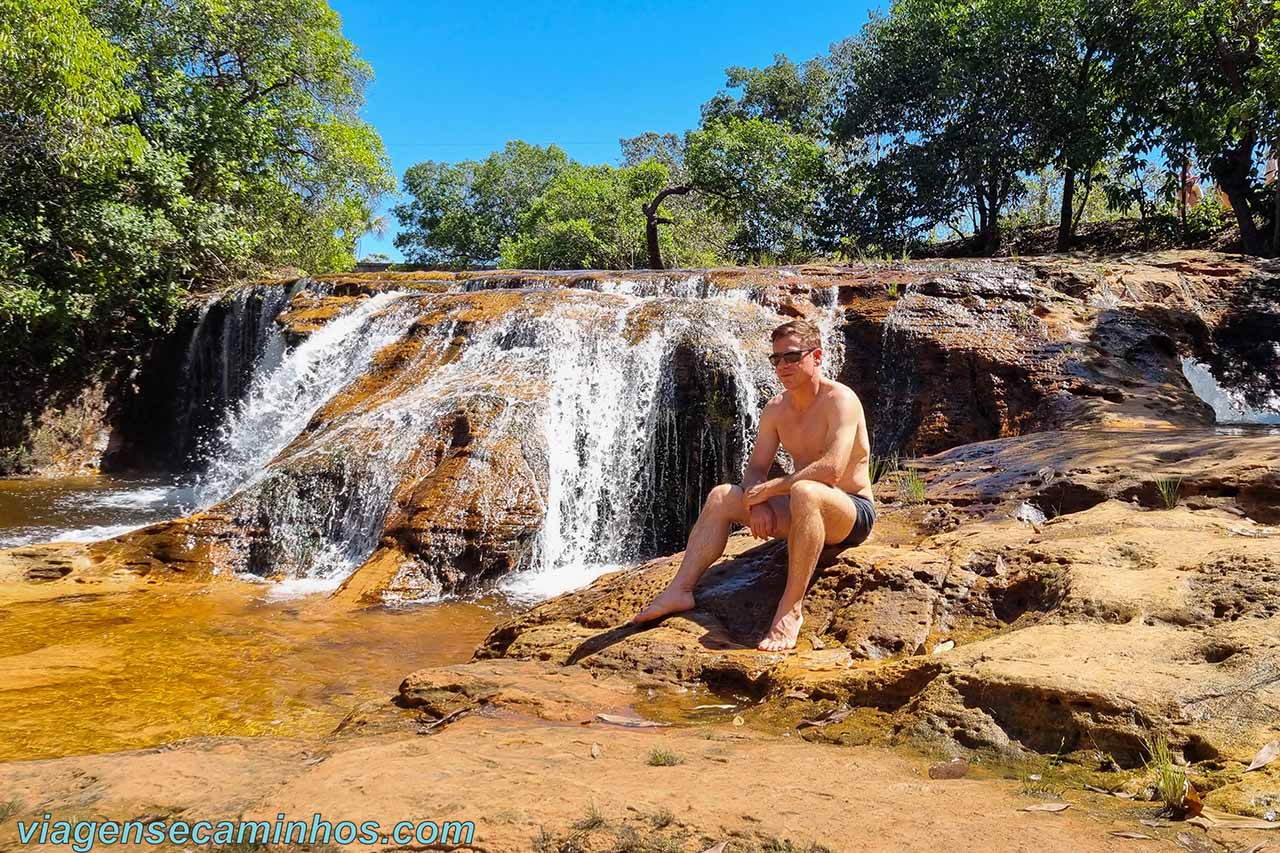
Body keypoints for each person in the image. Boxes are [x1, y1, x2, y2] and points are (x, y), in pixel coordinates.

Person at [628, 318, 876, 651]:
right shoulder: (776, 409)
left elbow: (832, 469)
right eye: (776, 359)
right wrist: (756, 502)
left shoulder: (840, 400)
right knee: (721, 497)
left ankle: (790, 611)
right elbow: (756, 469)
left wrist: (771, 490)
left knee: (805, 491)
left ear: (816, 356)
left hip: (850, 511)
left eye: (791, 357)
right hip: (804, 509)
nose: (783, 366)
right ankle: (680, 590)